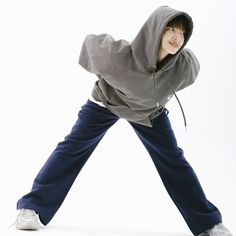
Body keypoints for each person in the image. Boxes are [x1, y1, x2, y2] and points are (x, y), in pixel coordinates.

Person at [14, 6, 233, 236]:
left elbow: (188, 73)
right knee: (72, 149)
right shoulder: (121, 56)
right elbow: (90, 44)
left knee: (174, 161)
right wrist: (104, 77)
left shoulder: (184, 67)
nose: (176, 37)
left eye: (181, 32)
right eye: (169, 29)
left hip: (148, 114)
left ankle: (208, 224)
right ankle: (31, 208)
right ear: (155, 31)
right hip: (107, 104)